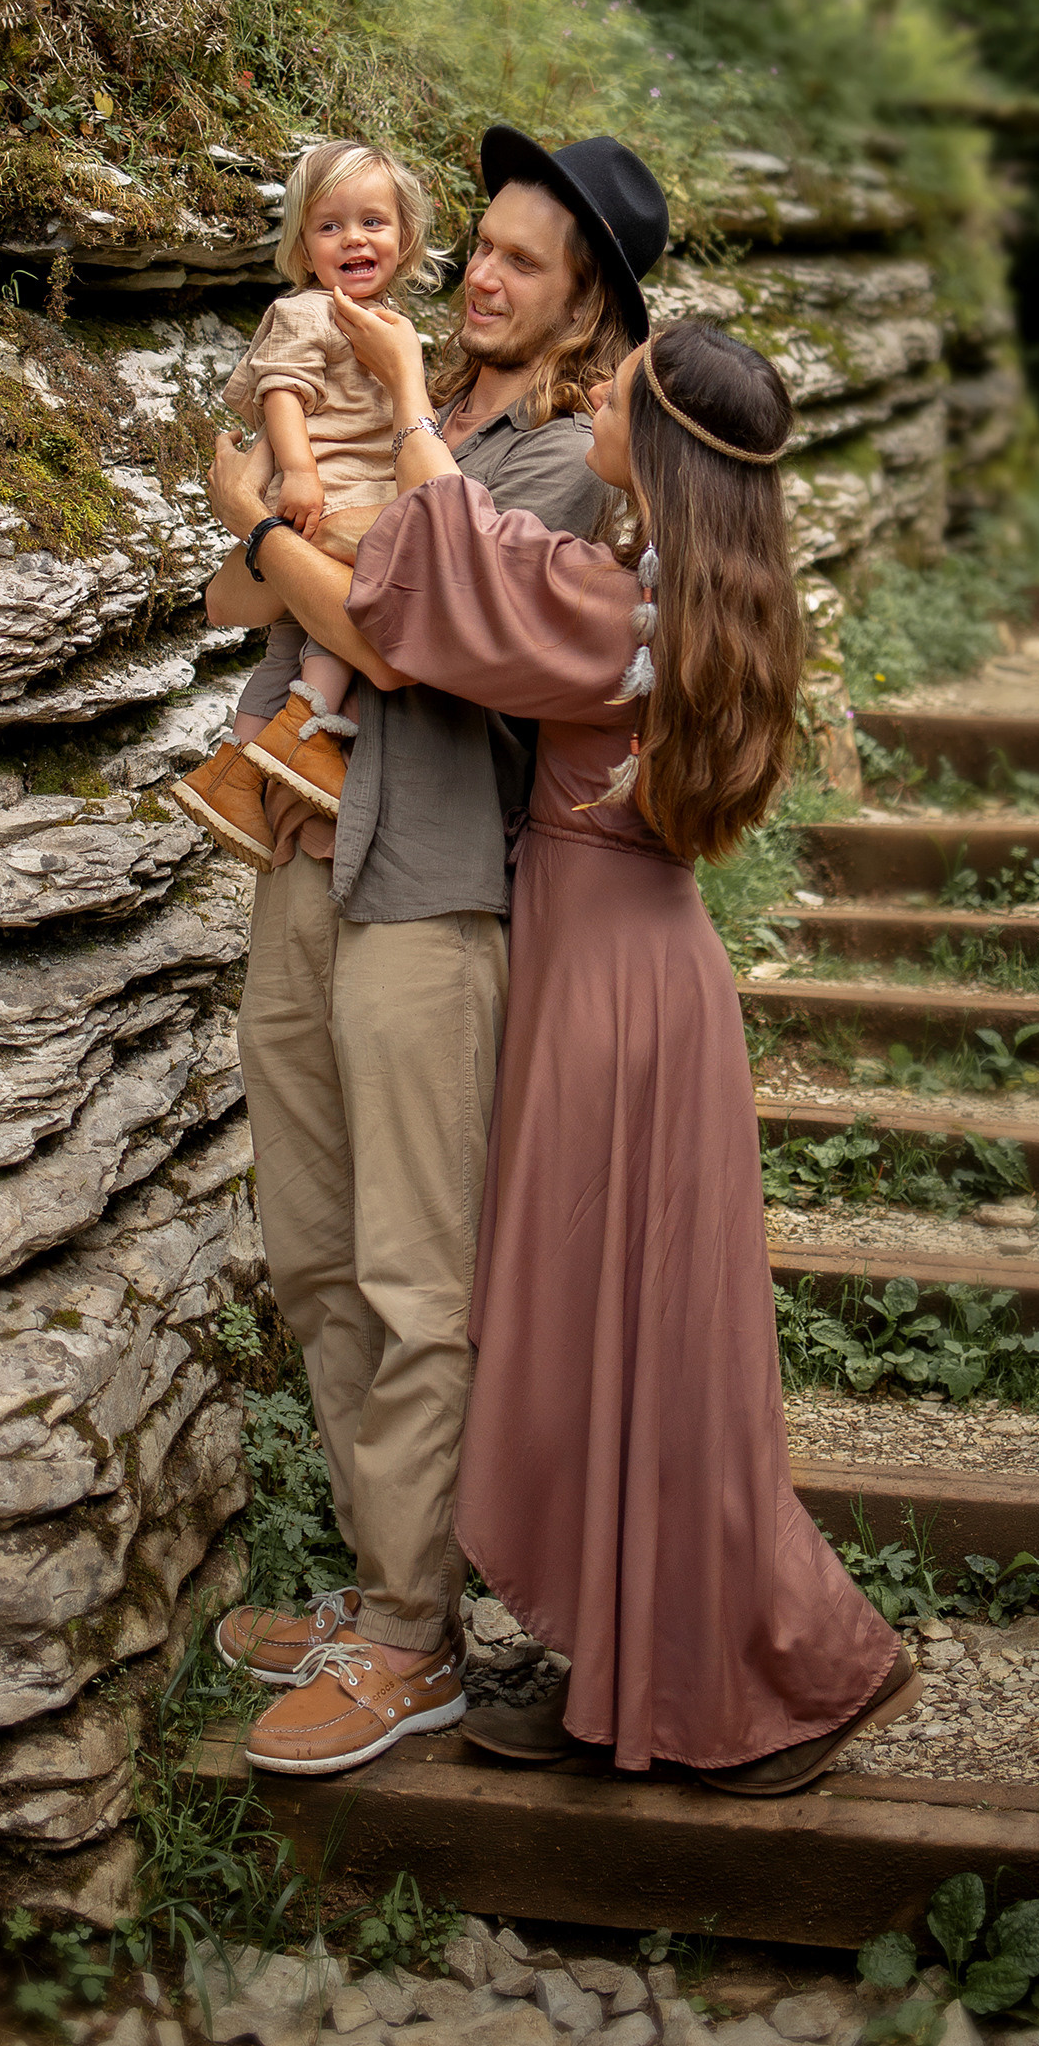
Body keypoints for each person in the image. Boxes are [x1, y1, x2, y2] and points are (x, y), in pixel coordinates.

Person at [332, 303, 923, 1793]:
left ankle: (763, 1679)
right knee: (627, 1339)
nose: (596, 391)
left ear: (656, 445)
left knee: (636, 1343)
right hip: (642, 982)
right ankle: (628, 1677)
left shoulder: (619, 615)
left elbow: (460, 582)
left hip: (611, 1003)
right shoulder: (681, 597)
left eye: (623, 390)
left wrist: (405, 396)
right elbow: (506, 567)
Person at [202, 131, 672, 1779]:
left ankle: (418, 1646)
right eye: (477, 244)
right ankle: (387, 1584)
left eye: (523, 263)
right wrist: (262, 529)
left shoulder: (552, 465)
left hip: (428, 884)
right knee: (318, 1252)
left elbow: (399, 631)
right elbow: (226, 592)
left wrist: (274, 536)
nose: (477, 274)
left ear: (591, 311)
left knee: (413, 1272)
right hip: (299, 856)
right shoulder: (414, 409)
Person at [172, 141, 441, 868]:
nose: (354, 239)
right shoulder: (309, 311)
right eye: (330, 227)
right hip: (332, 491)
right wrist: (296, 470)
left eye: (373, 222)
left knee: (290, 634)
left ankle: (232, 769)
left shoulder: (387, 323)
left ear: (405, 237)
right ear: (301, 247)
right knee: (347, 610)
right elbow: (280, 392)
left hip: (345, 491)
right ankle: (306, 732)